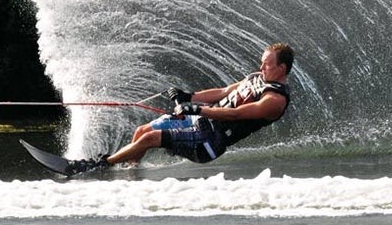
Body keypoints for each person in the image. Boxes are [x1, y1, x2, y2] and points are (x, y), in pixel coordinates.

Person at [66, 42, 294, 174]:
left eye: (267, 64)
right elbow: (224, 92)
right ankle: (128, 176)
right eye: (262, 61)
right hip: (199, 122)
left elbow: (233, 114)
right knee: (142, 132)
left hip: (209, 141)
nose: (261, 66)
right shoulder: (256, 77)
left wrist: (197, 109)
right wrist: (189, 96)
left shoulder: (274, 101)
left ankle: (96, 166)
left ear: (281, 68)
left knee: (149, 139)